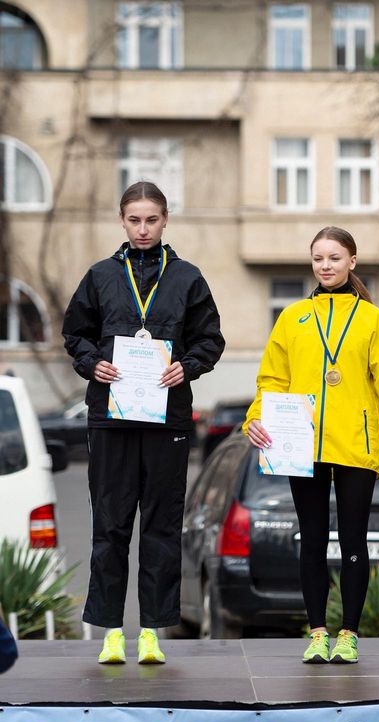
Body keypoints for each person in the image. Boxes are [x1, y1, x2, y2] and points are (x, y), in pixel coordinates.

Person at [63, 181, 225, 665]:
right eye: (134, 219)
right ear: (122, 221)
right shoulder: (99, 276)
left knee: (160, 525)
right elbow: (75, 334)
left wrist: (187, 366)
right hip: (110, 420)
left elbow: (210, 339)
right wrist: (92, 363)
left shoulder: (188, 278)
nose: (143, 228)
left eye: (151, 219)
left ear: (166, 219)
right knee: (109, 526)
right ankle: (112, 631)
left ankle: (152, 631)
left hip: (166, 420)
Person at [244, 226, 379, 664]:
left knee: (354, 541)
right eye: (319, 258)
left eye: (335, 258)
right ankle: (318, 631)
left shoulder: (373, 320)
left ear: (352, 262)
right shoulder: (292, 318)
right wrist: (255, 418)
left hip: (356, 448)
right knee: (312, 540)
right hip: (300, 445)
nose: (326, 266)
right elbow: (272, 379)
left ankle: (349, 634)